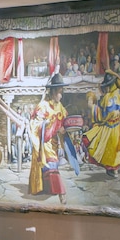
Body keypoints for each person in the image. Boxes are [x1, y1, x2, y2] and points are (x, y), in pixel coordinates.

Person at [28, 73, 69, 204]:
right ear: (52, 91)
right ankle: (62, 193)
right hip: (45, 143)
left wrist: (63, 128)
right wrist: (50, 124)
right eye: (59, 92)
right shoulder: (43, 106)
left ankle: (47, 188)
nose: (60, 95)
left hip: (55, 142)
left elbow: (63, 122)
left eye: (61, 92)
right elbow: (35, 124)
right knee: (51, 165)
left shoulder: (60, 107)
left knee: (52, 166)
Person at [81, 71, 120, 178]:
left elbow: (102, 115)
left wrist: (92, 107)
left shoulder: (107, 97)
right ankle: (113, 169)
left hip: (110, 127)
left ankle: (112, 169)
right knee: (113, 148)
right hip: (116, 126)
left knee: (109, 147)